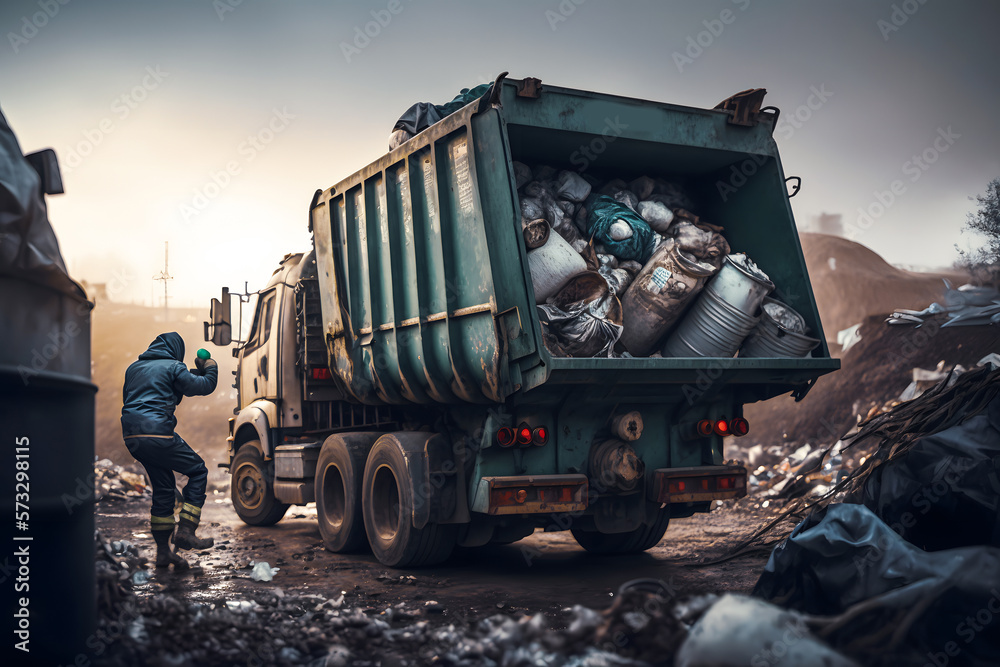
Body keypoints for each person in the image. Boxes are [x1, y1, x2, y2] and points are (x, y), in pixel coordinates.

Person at [121, 332, 218, 569]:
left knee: (164, 489)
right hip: (158, 433)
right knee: (198, 471)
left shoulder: (133, 368)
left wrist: (188, 374)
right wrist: (209, 366)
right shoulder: (175, 366)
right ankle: (186, 530)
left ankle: (163, 553)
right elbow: (204, 386)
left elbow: (157, 392)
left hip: (132, 436)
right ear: (177, 351)